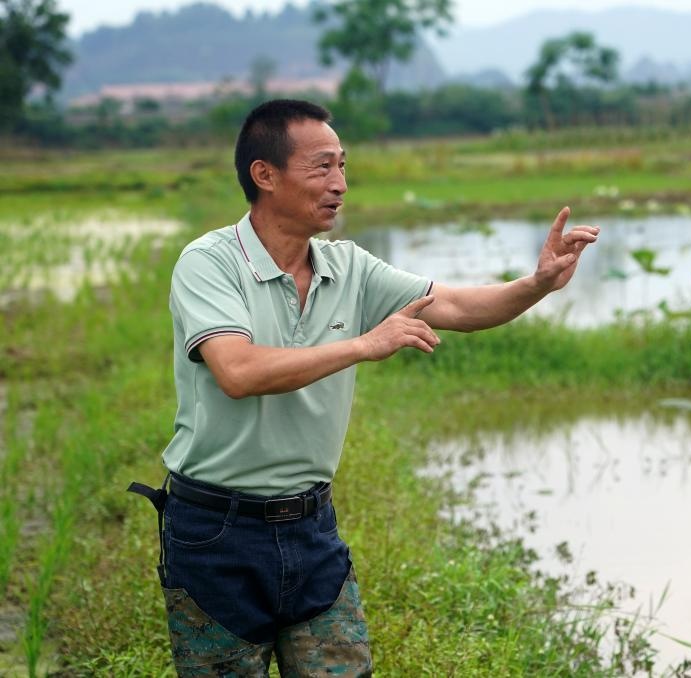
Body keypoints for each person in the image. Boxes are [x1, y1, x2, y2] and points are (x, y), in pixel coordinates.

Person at [133, 99, 598, 677]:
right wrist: (363, 344)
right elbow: (238, 372)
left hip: (310, 527)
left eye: (343, 167)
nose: (339, 184)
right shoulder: (209, 263)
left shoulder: (347, 266)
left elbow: (453, 303)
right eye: (322, 167)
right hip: (216, 532)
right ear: (265, 174)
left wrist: (537, 284)